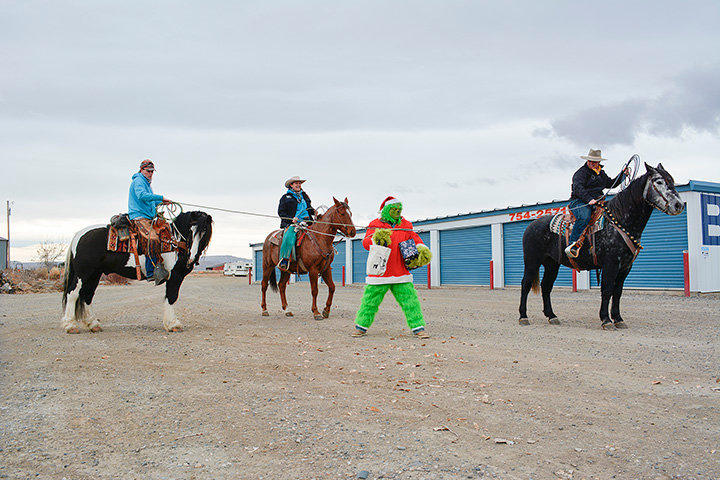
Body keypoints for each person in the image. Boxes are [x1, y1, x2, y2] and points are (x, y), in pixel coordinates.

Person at [353, 196, 432, 338]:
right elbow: (365, 243)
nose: (397, 212)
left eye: (399, 209)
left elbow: (414, 238)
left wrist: (421, 248)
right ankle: (361, 327)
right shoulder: (375, 224)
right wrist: (376, 239)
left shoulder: (406, 225)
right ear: (387, 210)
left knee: (410, 301)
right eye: (394, 209)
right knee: (370, 301)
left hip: (400, 271)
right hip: (380, 272)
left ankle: (418, 328)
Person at [565, 149, 628, 258]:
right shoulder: (581, 173)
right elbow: (578, 188)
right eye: (590, 161)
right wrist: (589, 199)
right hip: (579, 201)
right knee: (584, 217)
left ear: (599, 162)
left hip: (597, 200)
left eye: (595, 162)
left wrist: (623, 175)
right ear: (587, 160)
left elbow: (611, 183)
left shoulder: (601, 173)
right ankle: (573, 244)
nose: (592, 163)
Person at [128, 159, 172, 283]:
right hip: (139, 216)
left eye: (152, 172)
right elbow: (141, 196)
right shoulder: (139, 181)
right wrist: (160, 197)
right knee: (152, 238)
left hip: (147, 216)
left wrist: (162, 202)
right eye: (148, 171)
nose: (151, 174)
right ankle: (151, 272)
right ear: (142, 170)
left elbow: (150, 200)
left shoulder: (147, 183)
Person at [277, 176, 315, 271]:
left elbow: (309, 208)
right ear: (291, 185)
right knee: (289, 237)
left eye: (299, 183)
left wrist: (314, 212)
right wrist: (291, 219)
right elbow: (281, 212)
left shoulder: (305, 196)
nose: (298, 185)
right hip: (294, 223)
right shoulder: (285, 197)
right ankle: (284, 259)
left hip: (308, 222)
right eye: (296, 183)